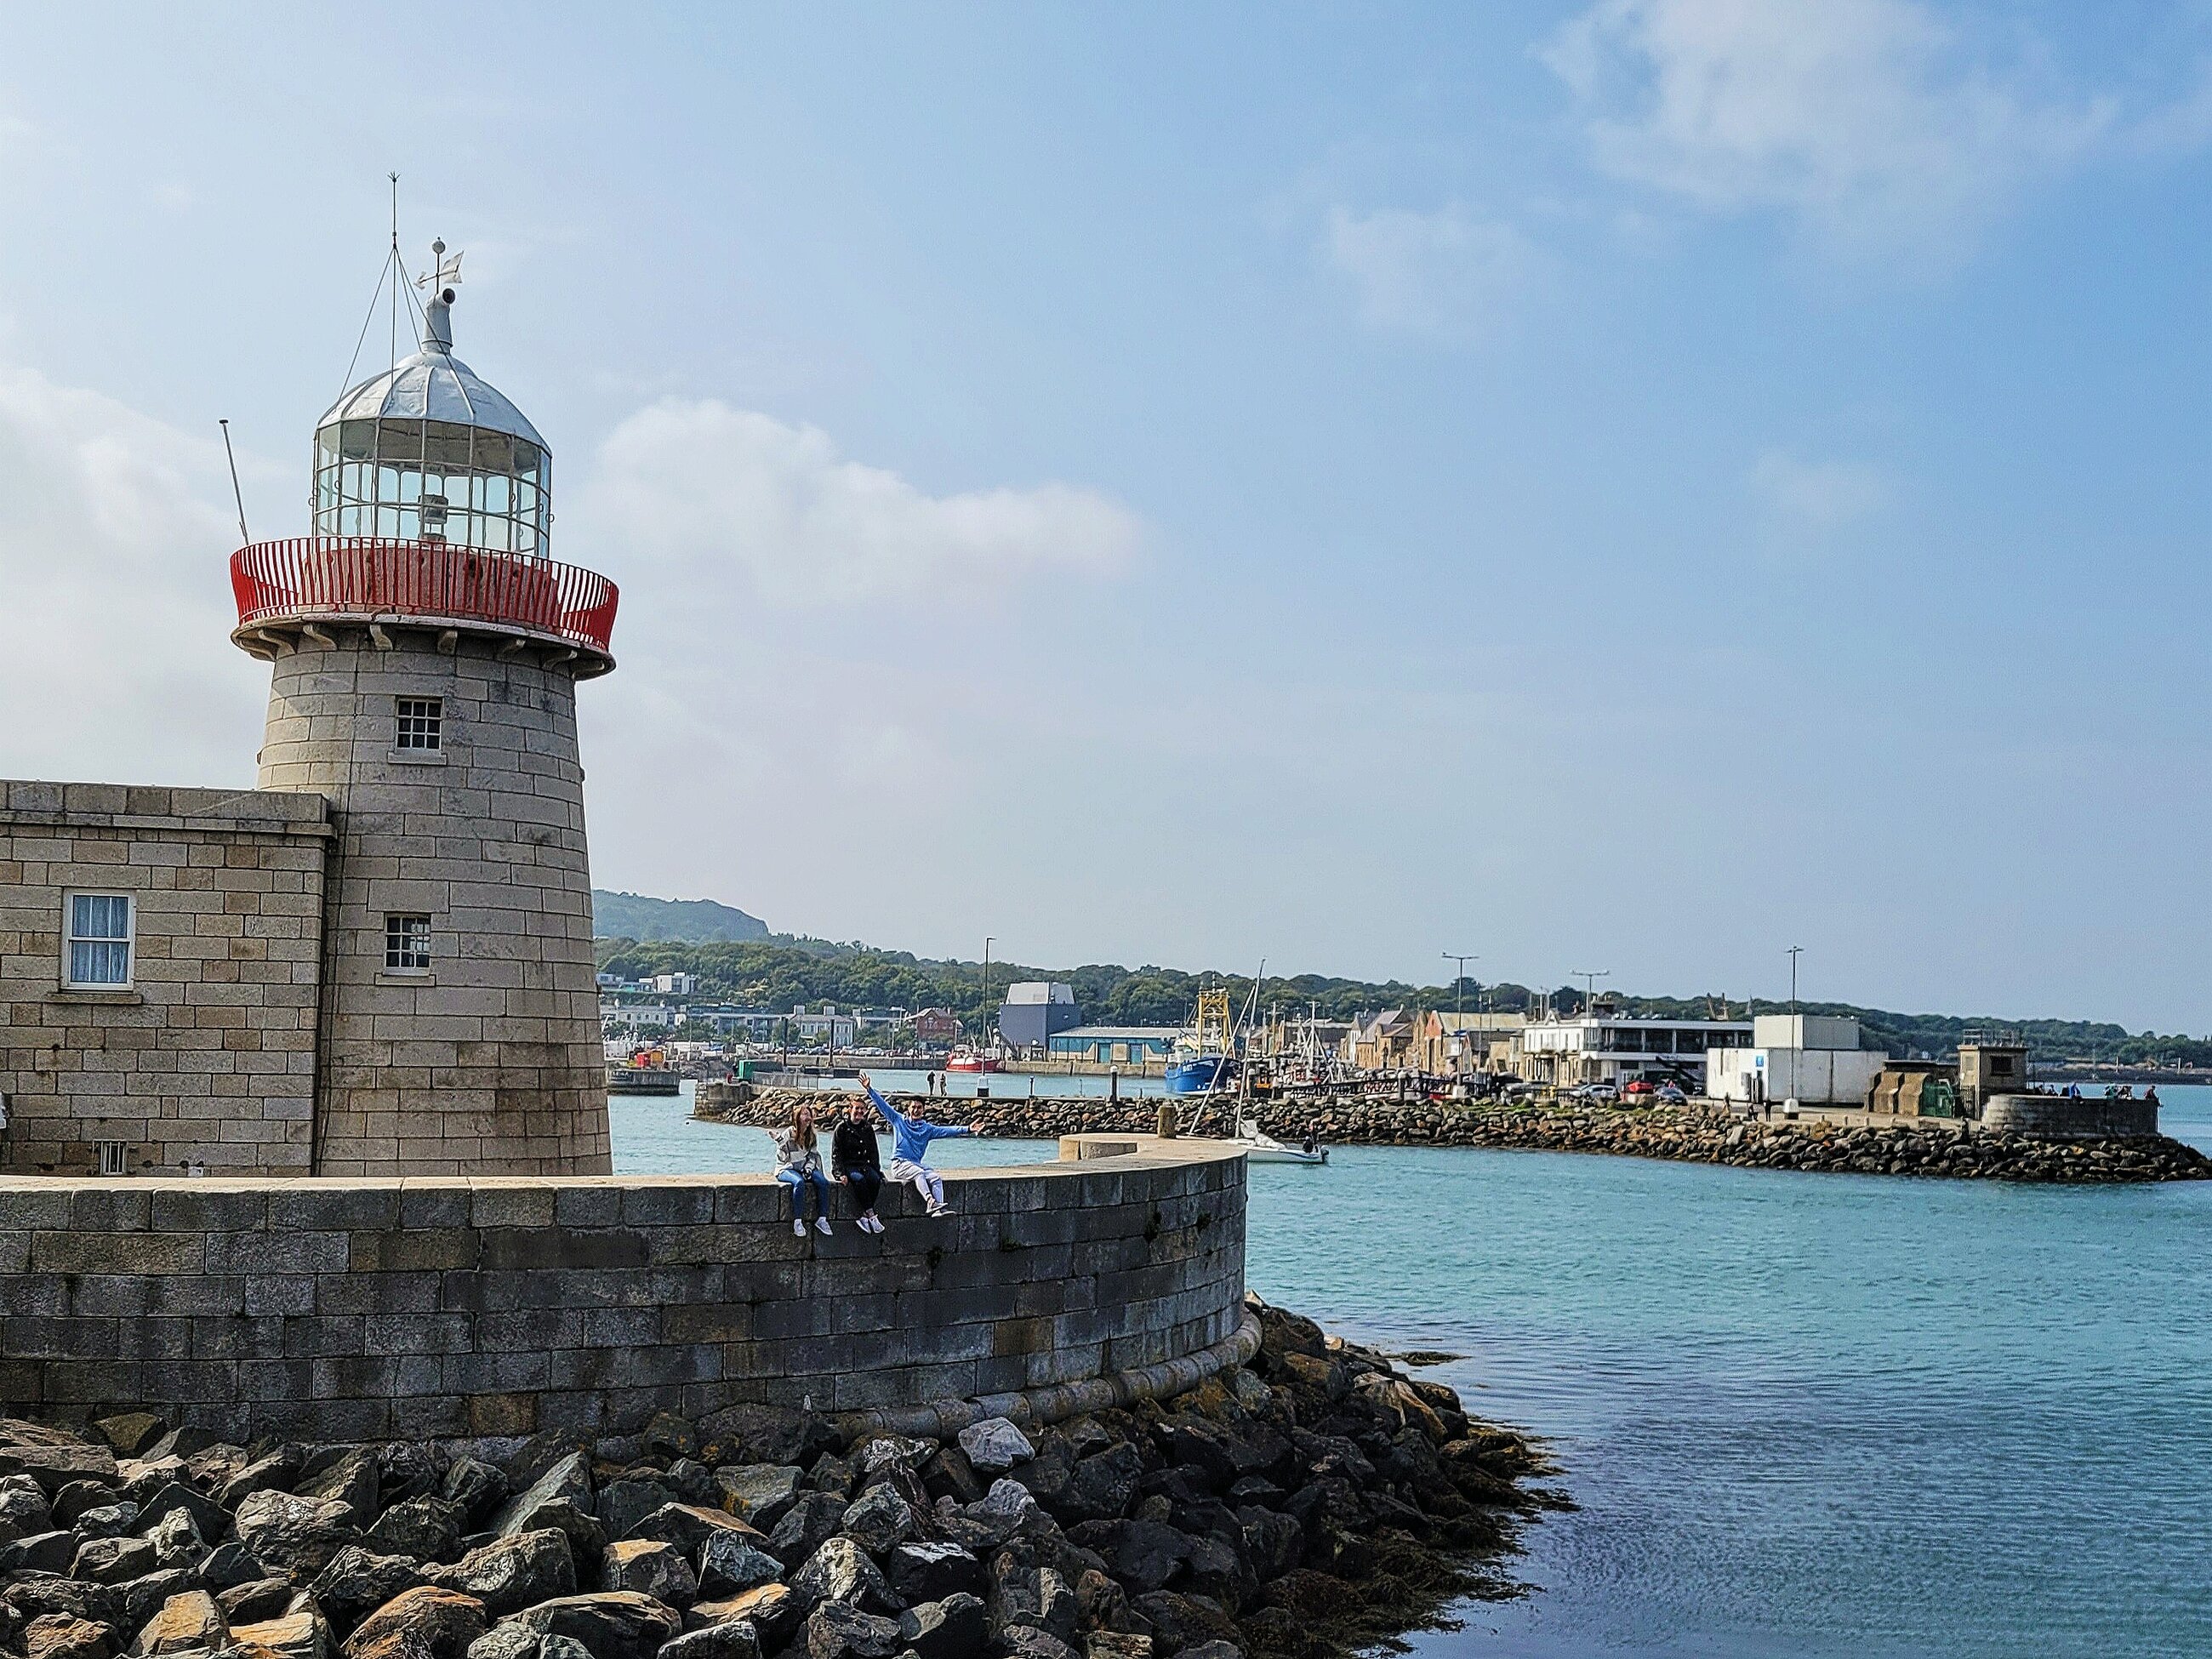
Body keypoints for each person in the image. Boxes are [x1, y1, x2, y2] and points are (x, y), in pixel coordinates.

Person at [860, 1072, 978, 1217]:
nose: (916, 1110)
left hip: (915, 1164)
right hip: (899, 1165)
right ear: (908, 1109)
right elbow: (884, 1107)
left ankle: (938, 1209)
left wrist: (968, 1129)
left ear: (923, 1110)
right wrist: (869, 1089)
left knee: (935, 1178)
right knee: (919, 1172)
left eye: (919, 1108)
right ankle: (930, 1201)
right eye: (913, 1107)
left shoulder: (927, 1129)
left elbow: (946, 1131)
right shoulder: (899, 1121)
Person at [773, 1104, 833, 1237]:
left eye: (809, 1114)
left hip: (804, 1168)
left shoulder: (811, 1135)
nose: (808, 1117)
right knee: (799, 1183)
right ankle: (798, 1222)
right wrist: (779, 1141)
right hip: (787, 1168)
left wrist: (808, 1168)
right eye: (804, 1114)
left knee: (823, 1182)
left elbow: (813, 1156)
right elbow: (782, 1157)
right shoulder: (789, 1132)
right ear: (797, 1117)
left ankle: (822, 1219)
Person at [833, 1092, 887, 1234]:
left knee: (875, 1180)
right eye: (856, 1108)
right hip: (849, 1165)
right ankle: (871, 1215)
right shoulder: (842, 1128)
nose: (859, 1112)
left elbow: (874, 1152)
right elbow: (836, 1153)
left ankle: (864, 1217)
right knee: (860, 1181)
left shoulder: (867, 1128)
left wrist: (878, 1171)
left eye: (862, 1109)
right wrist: (840, 1173)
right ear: (850, 1110)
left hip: (864, 1164)